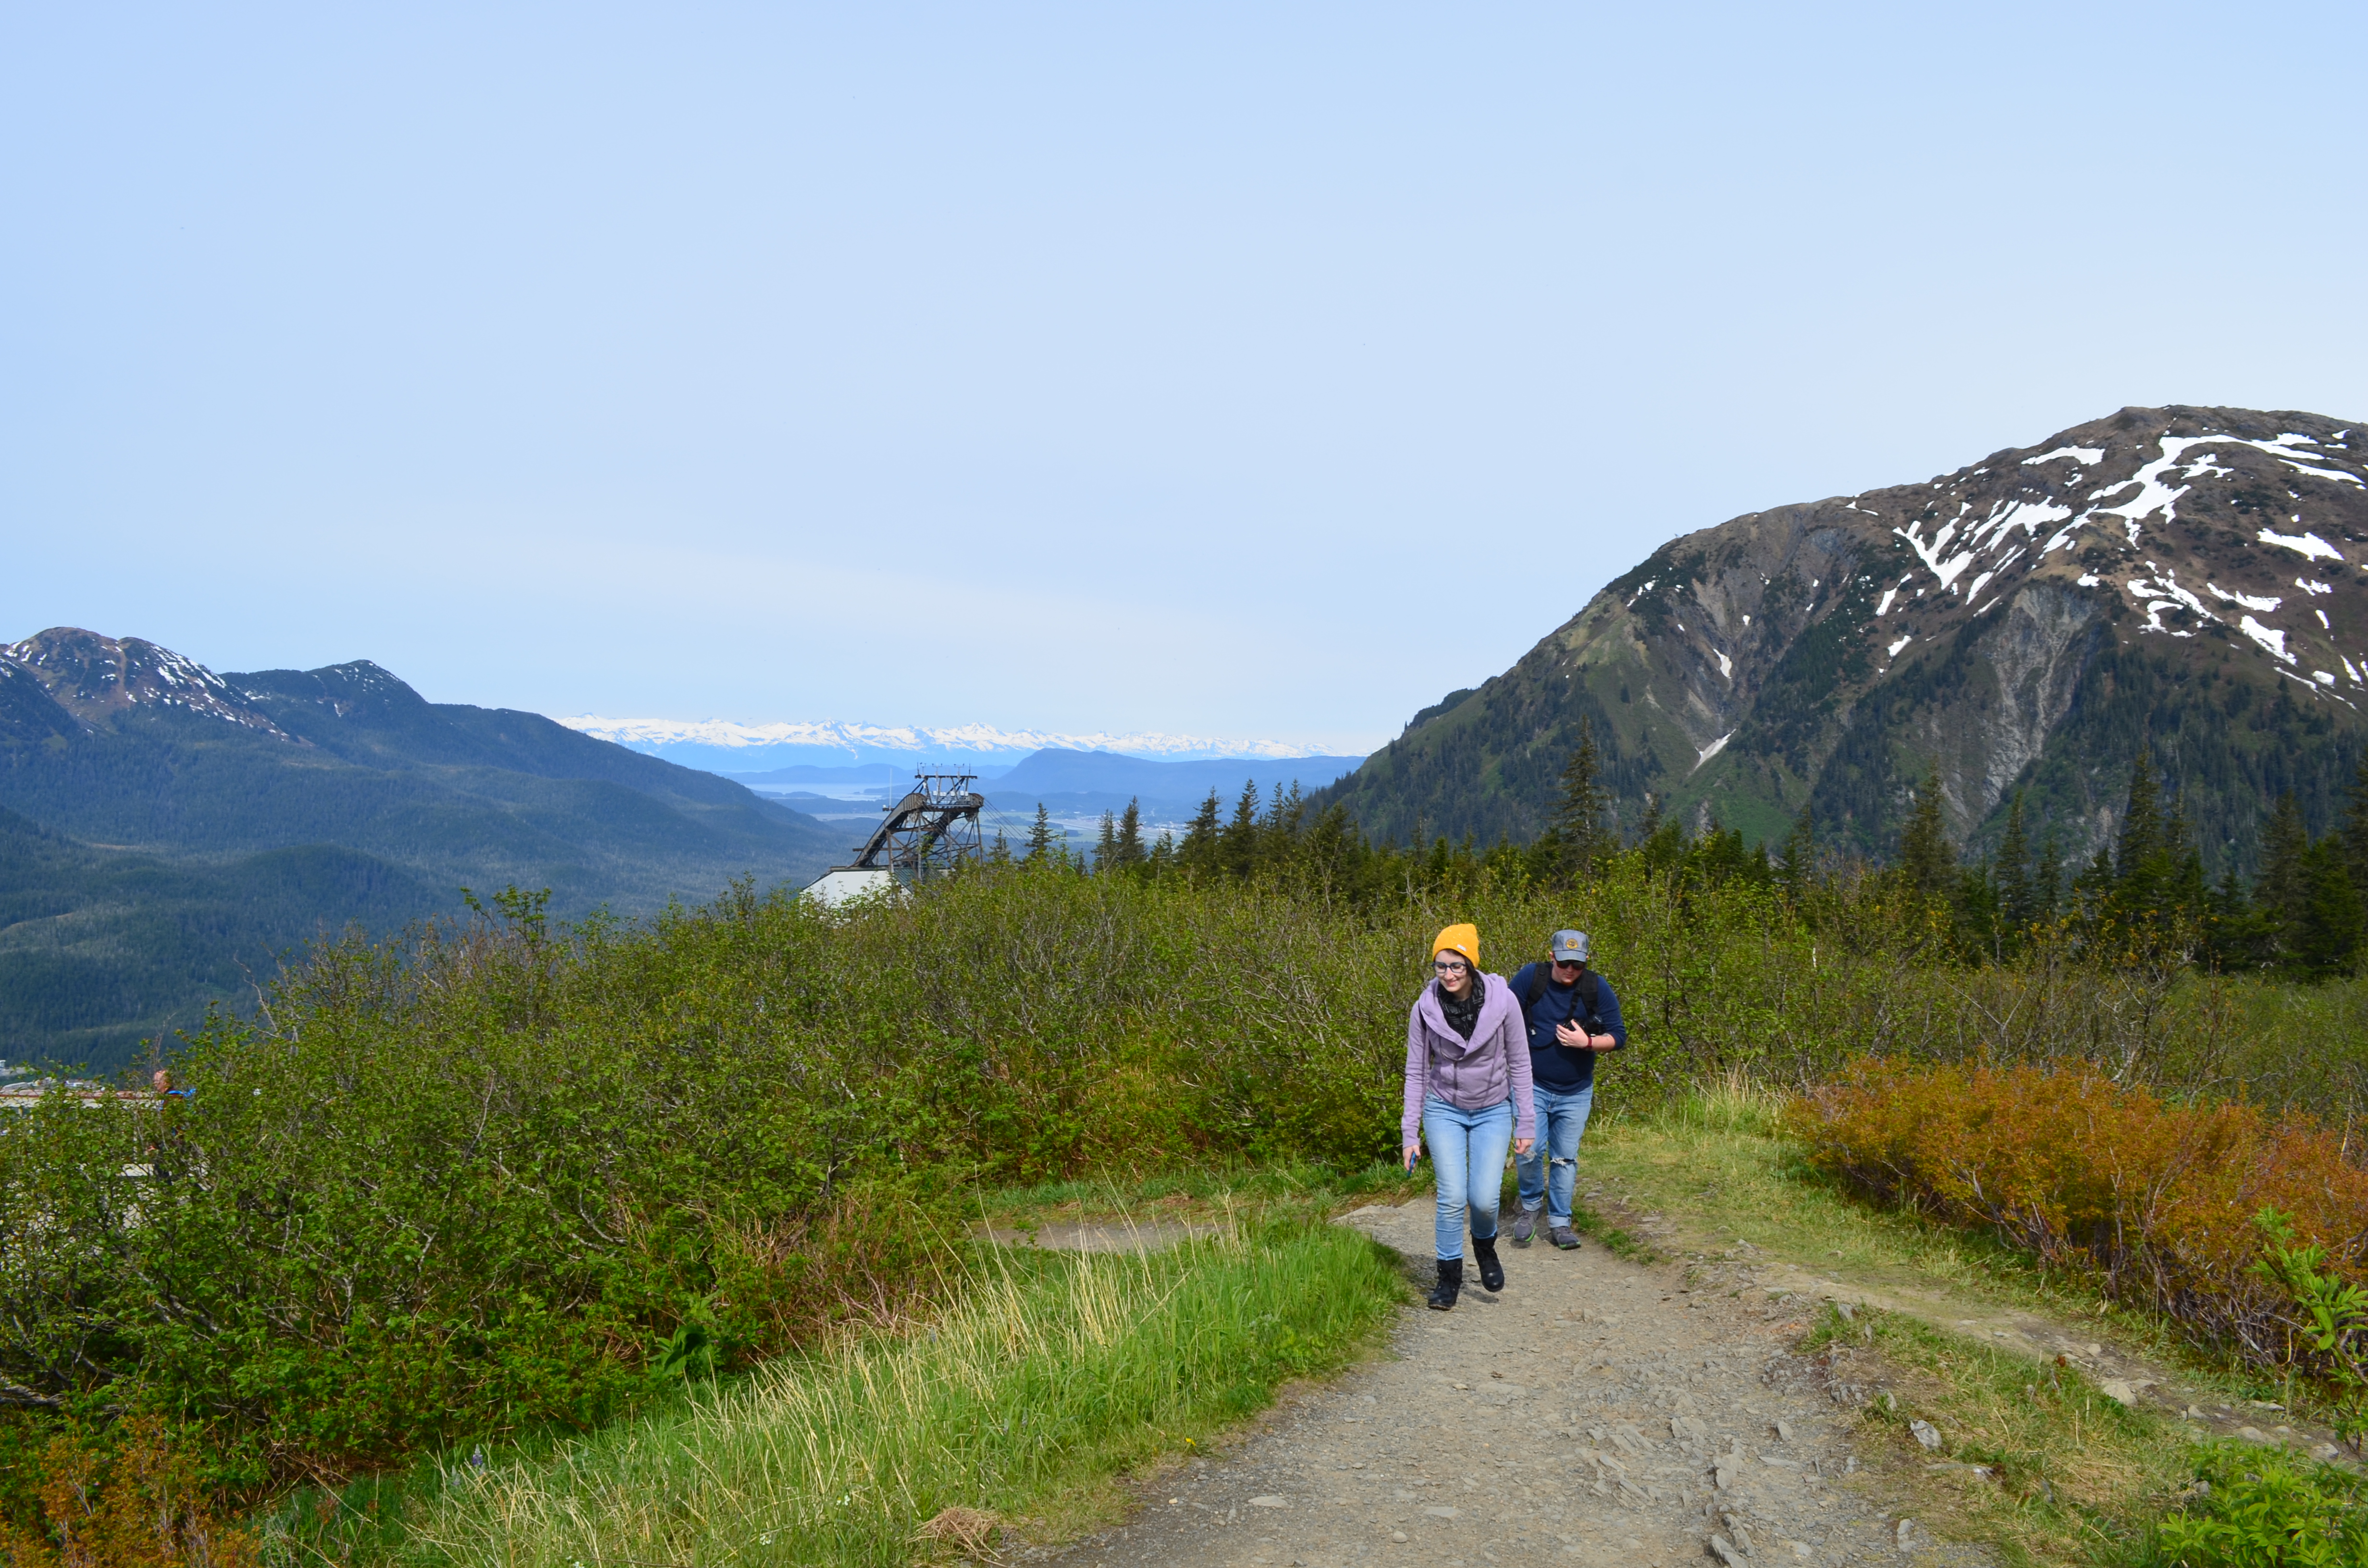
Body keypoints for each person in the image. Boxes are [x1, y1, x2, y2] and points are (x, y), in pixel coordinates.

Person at [1401, 923, 1536, 1311]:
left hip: (1493, 1108)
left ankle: (1485, 1246)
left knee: (1484, 1199)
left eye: (1457, 966)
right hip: (1444, 1108)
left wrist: (1525, 1121)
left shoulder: (1504, 1001)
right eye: (1440, 966)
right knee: (1452, 1197)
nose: (1448, 975)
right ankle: (1449, 1278)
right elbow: (1416, 1072)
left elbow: (1520, 1063)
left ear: (1472, 965)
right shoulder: (1424, 1009)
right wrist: (1410, 1133)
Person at [1506, 929, 1625, 1251]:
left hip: (1576, 1090)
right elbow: (1500, 1015)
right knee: (1529, 1150)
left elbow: (1618, 1036)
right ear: (1552, 956)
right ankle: (1530, 1207)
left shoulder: (1596, 987)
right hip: (1531, 1085)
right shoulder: (1531, 978)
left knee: (1564, 1159)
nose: (1570, 970)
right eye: (1564, 963)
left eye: (1577, 964)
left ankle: (1560, 1221)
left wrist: (1586, 1043)